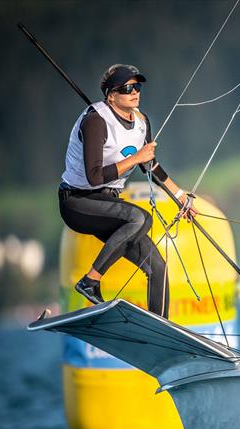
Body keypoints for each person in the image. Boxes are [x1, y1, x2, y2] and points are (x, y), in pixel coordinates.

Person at [58, 64, 197, 317]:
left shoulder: (142, 123)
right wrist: (136, 158)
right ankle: (90, 280)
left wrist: (180, 197)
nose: (135, 93)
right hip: (77, 202)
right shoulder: (96, 121)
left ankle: (160, 328)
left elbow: (149, 165)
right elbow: (94, 177)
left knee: (157, 265)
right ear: (111, 95)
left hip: (108, 203)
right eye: (127, 88)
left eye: (137, 87)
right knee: (140, 218)